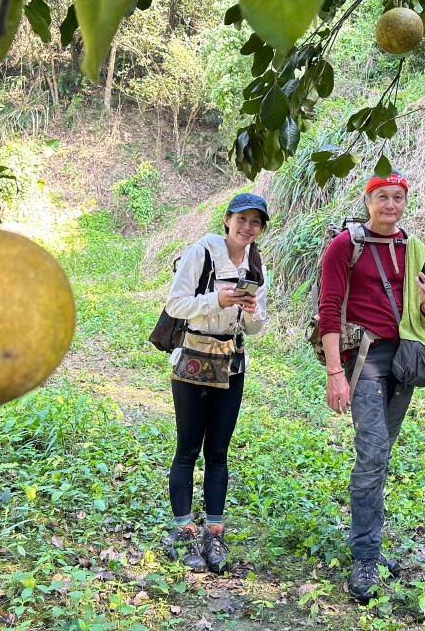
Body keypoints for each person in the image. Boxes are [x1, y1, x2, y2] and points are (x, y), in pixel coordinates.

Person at [319, 170, 425, 602]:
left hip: (403, 360)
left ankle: (366, 538)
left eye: (398, 197)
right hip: (364, 359)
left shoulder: (415, 248)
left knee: (381, 453)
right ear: (368, 202)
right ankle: (366, 557)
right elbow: (329, 308)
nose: (390, 205)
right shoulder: (345, 246)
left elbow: (423, 314)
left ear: (405, 202)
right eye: (382, 197)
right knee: (372, 454)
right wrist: (335, 373)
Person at [160, 193, 269, 574]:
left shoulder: (256, 264)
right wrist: (216, 301)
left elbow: (255, 327)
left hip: (233, 363)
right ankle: (184, 531)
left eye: (255, 222)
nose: (247, 227)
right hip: (194, 356)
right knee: (188, 448)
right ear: (227, 219)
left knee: (218, 451)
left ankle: (215, 532)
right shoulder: (202, 252)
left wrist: (250, 312)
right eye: (241, 219)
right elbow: (176, 304)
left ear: (261, 228)